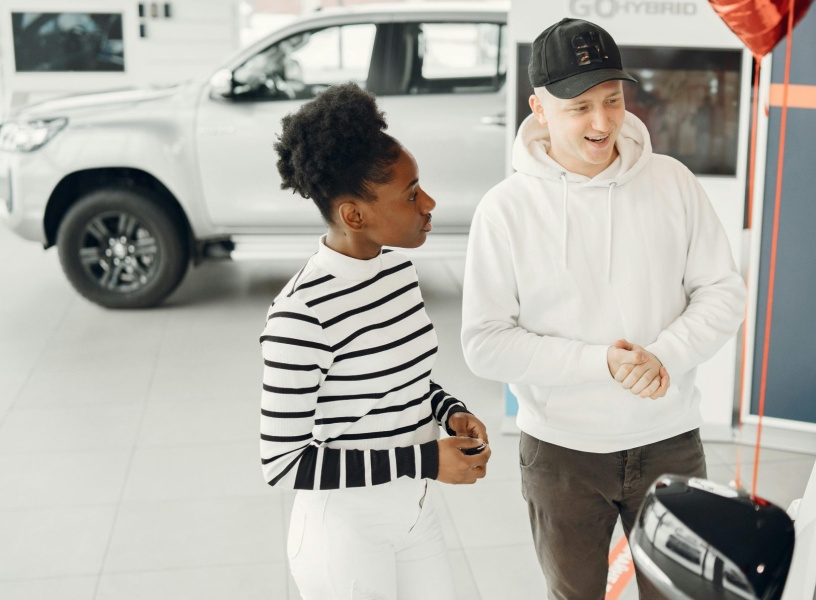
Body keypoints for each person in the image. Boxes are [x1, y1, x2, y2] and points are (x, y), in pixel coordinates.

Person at [460, 18, 747, 600]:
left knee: (682, 594)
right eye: (580, 107)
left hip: (670, 439)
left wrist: (664, 355)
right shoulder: (505, 210)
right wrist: (602, 363)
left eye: (613, 101)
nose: (602, 122)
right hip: (561, 453)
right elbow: (485, 341)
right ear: (539, 107)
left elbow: (723, 291)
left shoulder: (672, 183)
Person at [260, 82, 491, 600]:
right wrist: (427, 460)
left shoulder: (398, 273)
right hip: (344, 533)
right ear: (354, 215)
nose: (428, 203)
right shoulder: (301, 313)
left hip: (414, 513)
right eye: (411, 194)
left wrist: (448, 411)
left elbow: (402, 381)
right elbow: (284, 461)